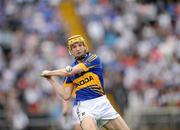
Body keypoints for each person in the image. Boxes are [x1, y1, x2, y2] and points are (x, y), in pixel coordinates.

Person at [41, 35, 130, 130]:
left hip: (103, 103)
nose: (78, 49)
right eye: (74, 47)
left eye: (80, 45)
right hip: (85, 107)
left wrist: (50, 72)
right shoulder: (70, 70)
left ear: (85, 47)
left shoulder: (93, 59)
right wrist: (50, 79)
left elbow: (69, 71)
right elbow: (65, 95)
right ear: (70, 51)